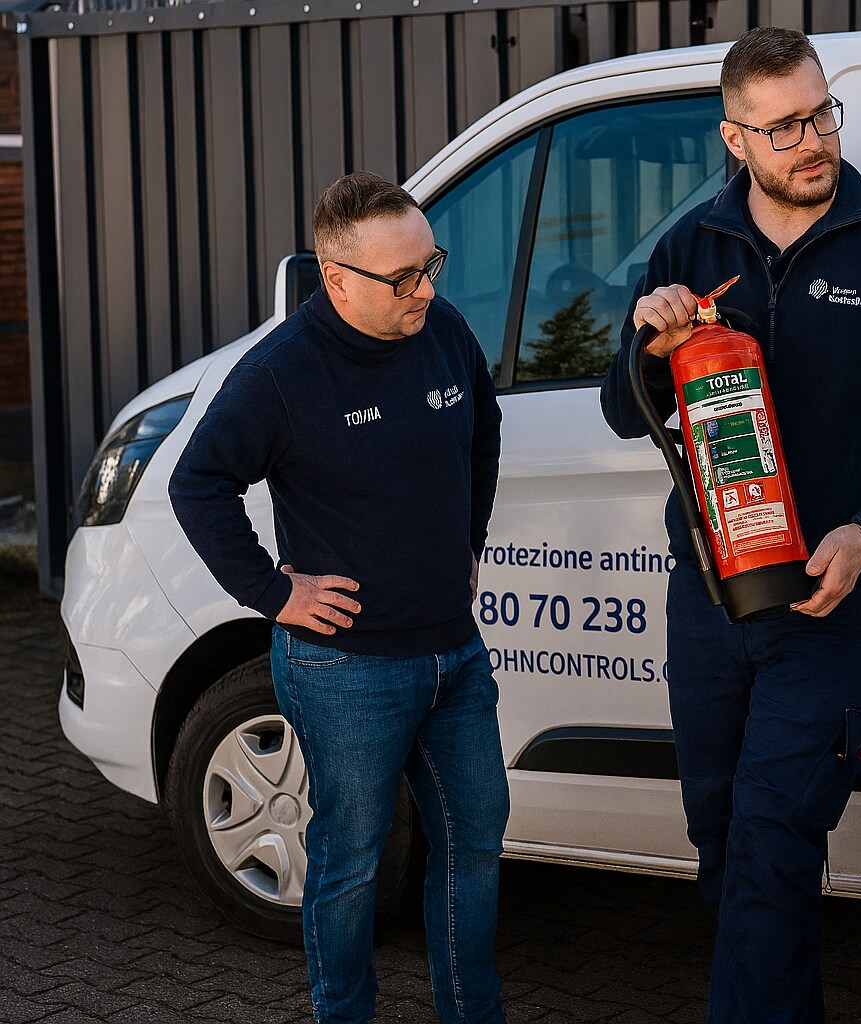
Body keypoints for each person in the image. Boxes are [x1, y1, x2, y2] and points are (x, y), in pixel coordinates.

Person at [599, 26, 861, 1024]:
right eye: (785, 127)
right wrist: (651, 342)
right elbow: (618, 405)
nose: (813, 141)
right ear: (735, 138)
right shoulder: (693, 247)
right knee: (725, 845)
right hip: (712, 605)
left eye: (821, 115)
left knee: (774, 841)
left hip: (830, 602)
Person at [170, 171, 506, 1024]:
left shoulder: (445, 329)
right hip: (345, 668)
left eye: (431, 264)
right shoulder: (283, 372)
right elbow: (197, 482)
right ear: (337, 277)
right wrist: (273, 593)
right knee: (351, 862)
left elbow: (483, 435)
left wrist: (468, 544)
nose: (426, 288)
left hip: (454, 655)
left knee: (475, 843)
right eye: (404, 278)